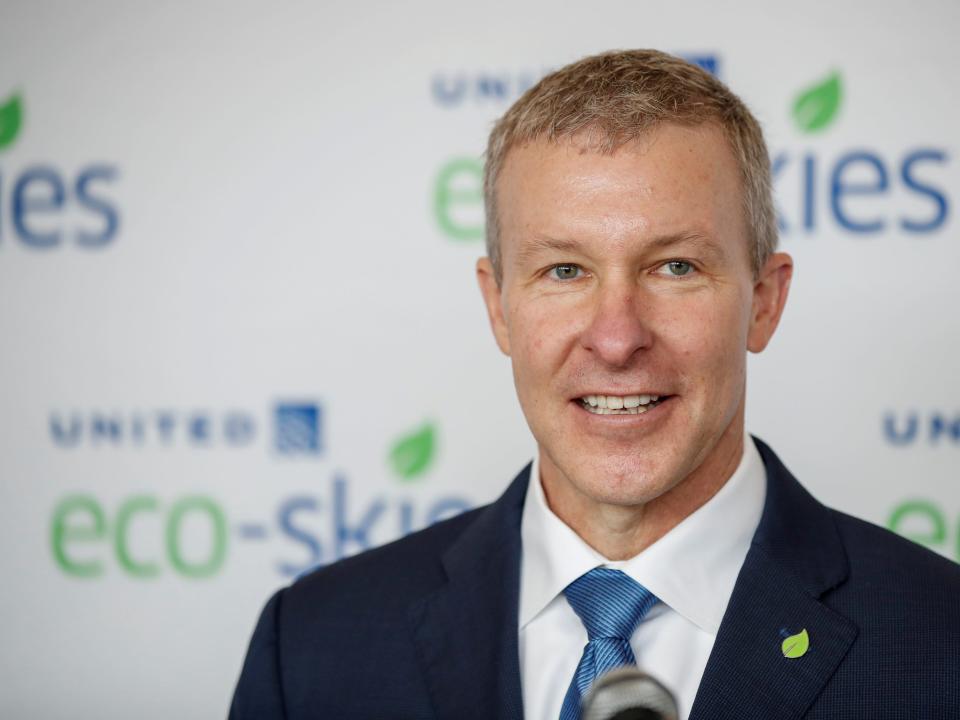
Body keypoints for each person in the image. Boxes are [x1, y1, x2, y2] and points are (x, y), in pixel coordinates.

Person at [229, 49, 960, 720]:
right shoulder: (313, 650)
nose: (616, 338)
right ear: (499, 308)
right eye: (565, 270)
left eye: (675, 266)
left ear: (764, 301)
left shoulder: (941, 645)